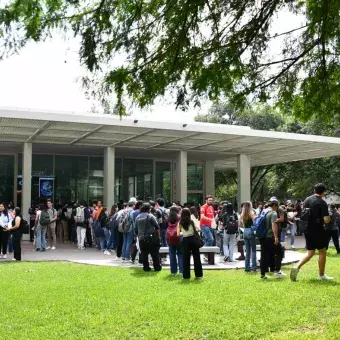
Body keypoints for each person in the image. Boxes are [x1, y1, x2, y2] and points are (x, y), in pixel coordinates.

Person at [291, 184, 333, 281]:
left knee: (310, 252)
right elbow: (326, 220)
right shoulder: (322, 203)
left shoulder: (307, 199)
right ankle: (321, 275)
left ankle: (297, 267)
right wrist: (329, 216)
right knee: (322, 251)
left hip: (307, 229)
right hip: (317, 230)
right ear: (323, 192)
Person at [259, 198, 285, 279]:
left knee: (264, 254)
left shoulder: (264, 211)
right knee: (280, 251)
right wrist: (276, 237)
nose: (277, 208)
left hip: (262, 236)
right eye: (276, 206)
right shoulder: (273, 213)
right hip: (270, 236)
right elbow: (274, 225)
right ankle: (277, 271)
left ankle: (263, 274)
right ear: (274, 205)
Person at [177, 208, 203, 280]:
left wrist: (184, 233)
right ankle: (198, 275)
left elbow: (178, 234)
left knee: (185, 258)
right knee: (196, 258)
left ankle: (186, 276)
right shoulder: (191, 221)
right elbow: (198, 229)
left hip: (185, 241)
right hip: (193, 240)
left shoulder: (180, 223)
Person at [135, 203, 162, 272]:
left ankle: (146, 267)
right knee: (154, 254)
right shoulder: (150, 216)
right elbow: (157, 226)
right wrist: (158, 236)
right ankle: (157, 267)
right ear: (148, 209)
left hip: (141, 239)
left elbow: (136, 230)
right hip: (151, 238)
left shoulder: (137, 217)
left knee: (144, 254)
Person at [241, 201, 256, 272]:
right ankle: (254, 266)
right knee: (253, 250)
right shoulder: (252, 214)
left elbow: (242, 224)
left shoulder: (242, 215)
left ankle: (247, 267)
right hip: (250, 231)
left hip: (245, 231)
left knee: (247, 251)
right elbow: (255, 223)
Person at [167, 206, 182, 275]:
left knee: (172, 255)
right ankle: (181, 271)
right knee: (180, 254)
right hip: (179, 237)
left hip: (170, 238)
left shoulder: (168, 218)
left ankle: (173, 271)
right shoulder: (179, 217)